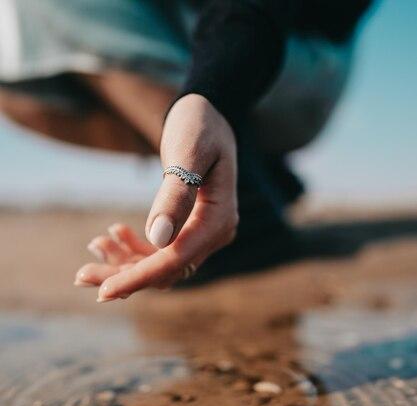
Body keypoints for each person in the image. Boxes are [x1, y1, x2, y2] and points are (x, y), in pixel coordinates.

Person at [0, 0, 373, 300]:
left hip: (293, 56)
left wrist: (212, 95)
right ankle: (249, 167)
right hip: (215, 55)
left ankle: (249, 204)